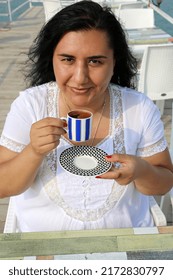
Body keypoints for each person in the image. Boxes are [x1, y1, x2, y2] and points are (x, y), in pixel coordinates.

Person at [0, 0, 172, 232]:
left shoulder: (139, 108)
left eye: (95, 61)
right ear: (52, 59)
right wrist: (34, 151)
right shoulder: (30, 105)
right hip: (42, 248)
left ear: (115, 63)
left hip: (127, 246)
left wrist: (141, 170)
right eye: (68, 59)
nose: (80, 78)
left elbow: (164, 182)